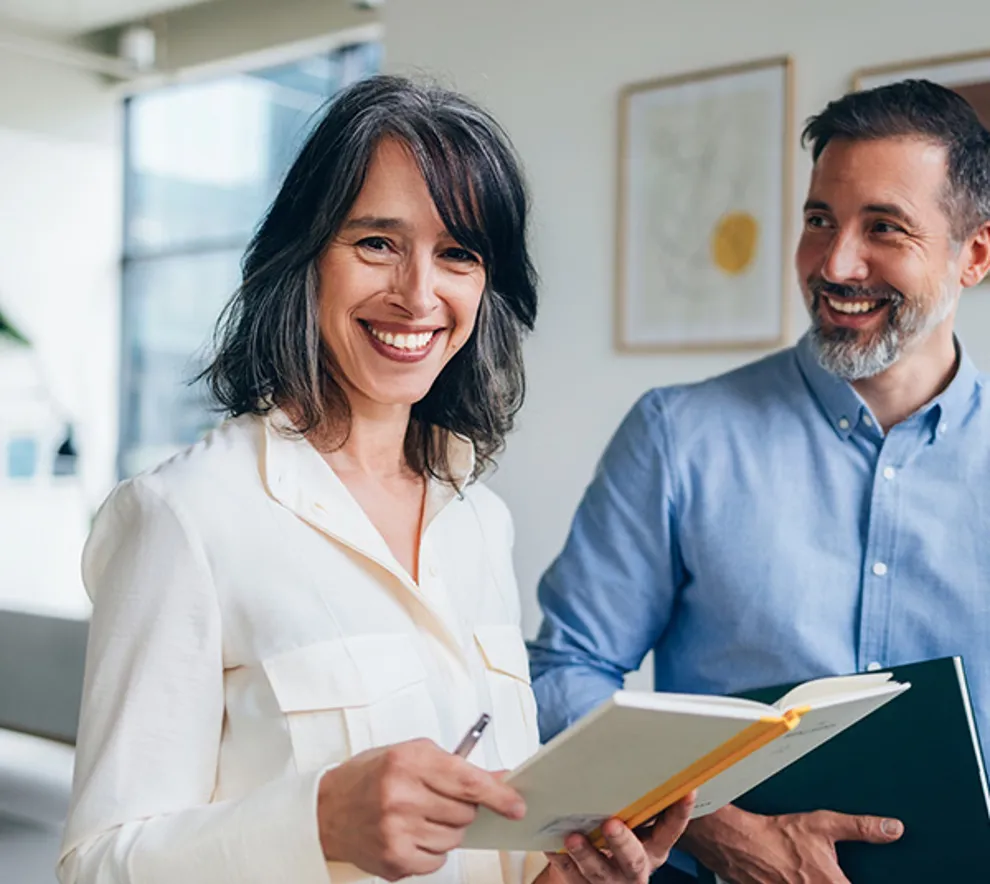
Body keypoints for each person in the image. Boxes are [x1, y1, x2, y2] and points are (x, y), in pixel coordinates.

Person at [57, 75, 693, 884]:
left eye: (457, 254)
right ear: (306, 257)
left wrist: (557, 874)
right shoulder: (182, 515)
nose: (418, 295)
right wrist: (317, 823)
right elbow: (93, 866)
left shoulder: (480, 520)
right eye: (376, 244)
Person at [528, 78, 990, 884]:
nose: (836, 262)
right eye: (820, 220)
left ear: (974, 254)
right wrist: (718, 828)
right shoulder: (679, 436)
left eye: (884, 227)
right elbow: (565, 672)